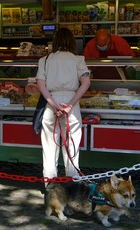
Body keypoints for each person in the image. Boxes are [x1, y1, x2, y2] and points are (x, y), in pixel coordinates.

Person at [36, 27, 91, 183]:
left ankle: (50, 186)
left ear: (55, 42)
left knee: (49, 148)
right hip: (71, 105)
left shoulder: (44, 60)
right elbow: (86, 83)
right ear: (72, 41)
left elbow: (41, 85)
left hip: (50, 103)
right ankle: (73, 186)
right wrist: (69, 105)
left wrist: (54, 105)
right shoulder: (78, 59)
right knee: (72, 148)